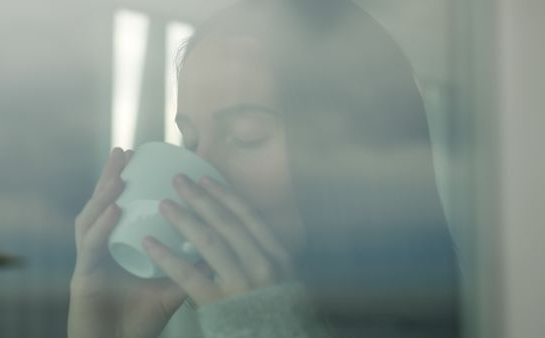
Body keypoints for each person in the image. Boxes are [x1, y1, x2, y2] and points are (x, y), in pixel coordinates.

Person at [68, 0, 460, 337]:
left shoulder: (494, 315)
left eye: (246, 136)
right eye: (189, 142)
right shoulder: (187, 318)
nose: (195, 176)